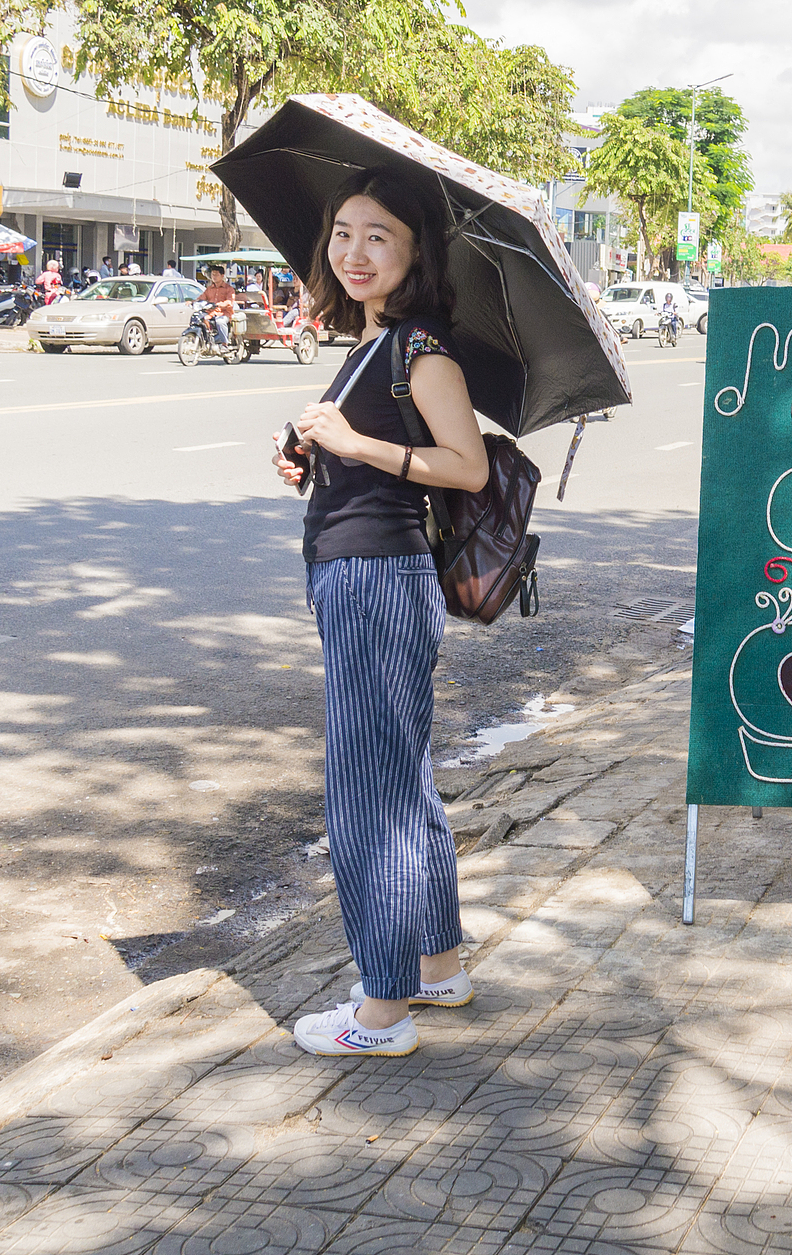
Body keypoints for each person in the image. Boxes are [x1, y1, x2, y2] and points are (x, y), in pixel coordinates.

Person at [273, 166, 489, 1059]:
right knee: (400, 780)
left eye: (378, 237)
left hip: (375, 584)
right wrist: (315, 461)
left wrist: (356, 443)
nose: (353, 253)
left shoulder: (421, 351)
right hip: (363, 577)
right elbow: (371, 458)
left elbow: (465, 466)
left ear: (413, 253)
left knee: (366, 793)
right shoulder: (372, 343)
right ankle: (435, 963)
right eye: (343, 233)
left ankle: (382, 1009)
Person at [200, 263, 237, 349]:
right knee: (199, 318)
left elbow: (230, 301)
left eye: (216, 275)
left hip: (224, 313)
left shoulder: (229, 289)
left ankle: (225, 344)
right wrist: (192, 301)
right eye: (213, 274)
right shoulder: (209, 289)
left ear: (222, 275)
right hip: (211, 313)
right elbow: (201, 297)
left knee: (220, 322)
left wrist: (220, 304)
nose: (214, 277)